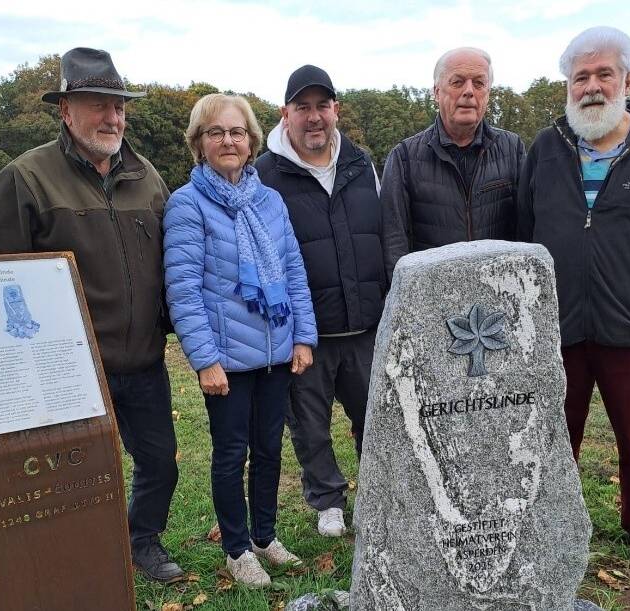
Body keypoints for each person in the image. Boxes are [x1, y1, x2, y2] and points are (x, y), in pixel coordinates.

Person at [0, 48, 185, 583]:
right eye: (98, 105)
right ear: (66, 110)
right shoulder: (27, 177)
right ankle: (80, 556)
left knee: (160, 463)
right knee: (80, 473)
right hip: (69, 369)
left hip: (143, 359)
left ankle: (141, 541)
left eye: (119, 106)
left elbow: (175, 261)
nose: (113, 117)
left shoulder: (147, 177)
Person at [517, 26, 630, 572]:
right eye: (581, 77)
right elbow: (527, 224)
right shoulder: (546, 147)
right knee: (554, 434)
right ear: (567, 86)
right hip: (559, 323)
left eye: (604, 74)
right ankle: (552, 522)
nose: (592, 87)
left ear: (627, 81)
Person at [163, 93, 318, 587]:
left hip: (275, 352)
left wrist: (303, 336)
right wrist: (204, 359)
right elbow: (183, 291)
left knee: (269, 450)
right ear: (199, 143)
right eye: (216, 133)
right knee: (232, 455)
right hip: (226, 360)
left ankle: (265, 536)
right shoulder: (187, 205)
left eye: (236, 132)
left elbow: (293, 272)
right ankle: (237, 548)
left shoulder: (269, 201)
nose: (228, 141)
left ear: (251, 142)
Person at [255, 65, 386, 538]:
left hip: (366, 324)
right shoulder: (264, 173)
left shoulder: (361, 162)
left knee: (375, 416)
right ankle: (327, 499)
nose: (314, 117)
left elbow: (381, 232)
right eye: (303, 107)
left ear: (336, 110)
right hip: (304, 332)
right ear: (285, 113)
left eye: (322, 106)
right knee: (310, 425)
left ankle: (380, 492)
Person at [381, 47, 525, 282]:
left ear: (488, 93)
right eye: (457, 82)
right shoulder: (404, 157)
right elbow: (393, 243)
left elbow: (525, 232)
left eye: (479, 83)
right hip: (432, 296)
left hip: (498, 294)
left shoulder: (512, 148)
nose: (469, 91)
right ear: (437, 92)